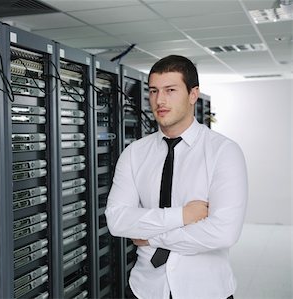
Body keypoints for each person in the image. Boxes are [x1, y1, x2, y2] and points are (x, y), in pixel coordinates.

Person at [105, 55, 248, 299]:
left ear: (193, 94)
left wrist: (150, 238)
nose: (159, 100)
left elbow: (223, 232)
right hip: (144, 289)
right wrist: (183, 215)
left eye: (170, 90)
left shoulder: (224, 152)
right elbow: (117, 220)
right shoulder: (134, 154)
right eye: (153, 91)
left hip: (205, 290)